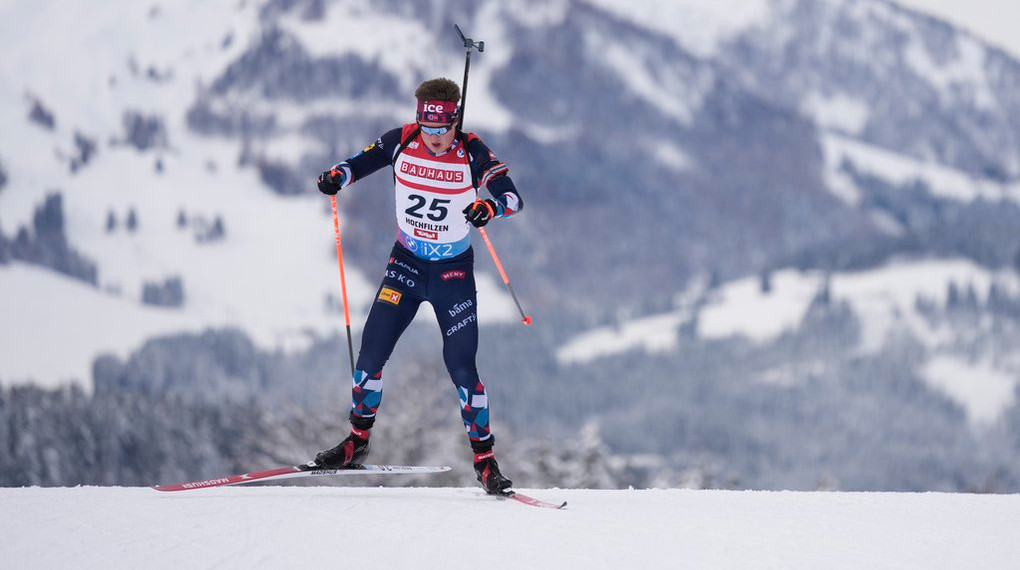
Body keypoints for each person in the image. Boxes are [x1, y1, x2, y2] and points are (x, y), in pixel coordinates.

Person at [313, 77, 523, 495]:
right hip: (405, 268)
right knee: (370, 356)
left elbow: (514, 198)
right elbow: (356, 164)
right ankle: (357, 442)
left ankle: (485, 462)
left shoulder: (472, 151)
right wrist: (336, 176)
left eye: (441, 130)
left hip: (452, 276)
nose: (433, 138)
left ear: (454, 121)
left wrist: (489, 206)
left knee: (463, 370)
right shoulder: (401, 140)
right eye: (426, 128)